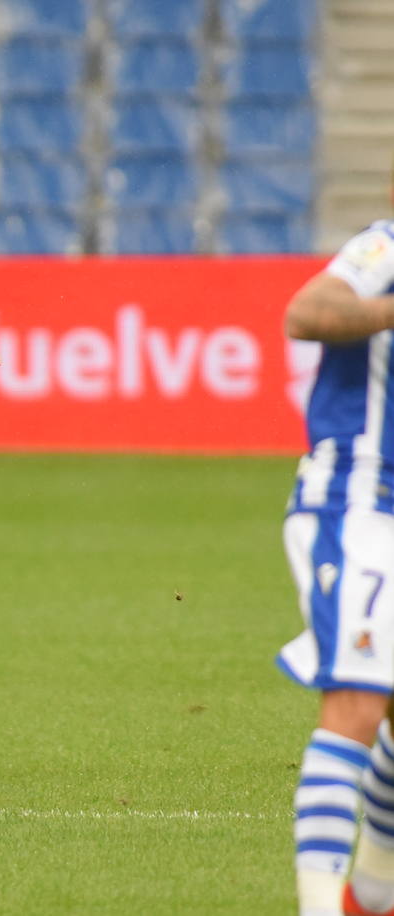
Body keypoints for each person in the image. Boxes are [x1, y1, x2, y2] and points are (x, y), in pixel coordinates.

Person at [278, 203, 394, 916]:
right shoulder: (385, 246)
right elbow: (308, 311)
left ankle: (374, 896)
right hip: (360, 500)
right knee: (355, 705)